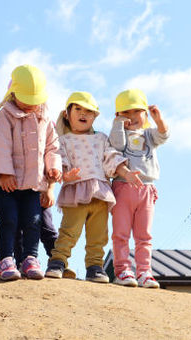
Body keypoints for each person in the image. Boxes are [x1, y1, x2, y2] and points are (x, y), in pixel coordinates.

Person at [45, 91, 142, 283]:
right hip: (76, 192)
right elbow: (58, 161)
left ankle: (95, 267)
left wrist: (126, 173)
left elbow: (111, 158)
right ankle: (58, 262)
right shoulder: (63, 140)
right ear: (67, 114)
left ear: (95, 116)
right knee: (69, 231)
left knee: (98, 235)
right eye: (78, 109)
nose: (83, 114)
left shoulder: (101, 138)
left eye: (89, 111)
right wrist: (65, 175)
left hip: (100, 194)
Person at [0, 64, 62, 280]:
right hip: (7, 183)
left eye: (35, 99)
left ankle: (30, 258)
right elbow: (1, 144)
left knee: (33, 221)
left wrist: (53, 167)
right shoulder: (6, 114)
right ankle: (6, 259)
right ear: (13, 93)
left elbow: (52, 146)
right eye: (25, 99)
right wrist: (4, 173)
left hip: (33, 182)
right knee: (9, 220)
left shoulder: (45, 117)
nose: (31, 104)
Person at [109, 89, 169, 288]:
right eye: (126, 112)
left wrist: (158, 120)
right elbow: (116, 144)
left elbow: (163, 135)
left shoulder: (149, 134)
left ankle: (145, 271)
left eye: (137, 111)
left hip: (146, 189)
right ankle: (123, 270)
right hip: (122, 187)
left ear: (145, 113)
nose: (132, 117)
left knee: (144, 235)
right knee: (121, 233)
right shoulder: (119, 133)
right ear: (118, 115)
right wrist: (118, 124)